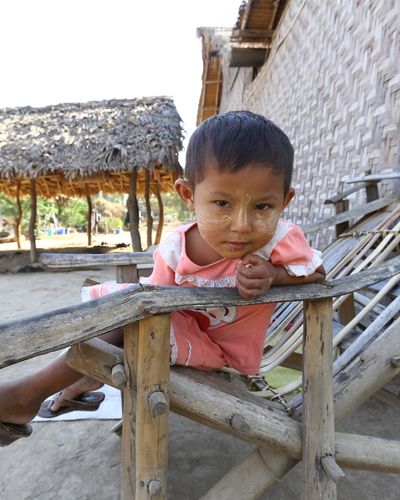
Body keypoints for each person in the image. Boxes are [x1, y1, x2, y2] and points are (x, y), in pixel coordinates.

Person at [0, 111, 325, 447]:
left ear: (284, 202)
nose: (242, 224)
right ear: (188, 195)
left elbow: (318, 273)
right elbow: (149, 299)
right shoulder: (175, 248)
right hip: (172, 336)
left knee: (124, 318)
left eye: (262, 207)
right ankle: (70, 385)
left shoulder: (280, 241)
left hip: (223, 355)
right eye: (222, 203)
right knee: (123, 310)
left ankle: (28, 395)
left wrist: (274, 275)